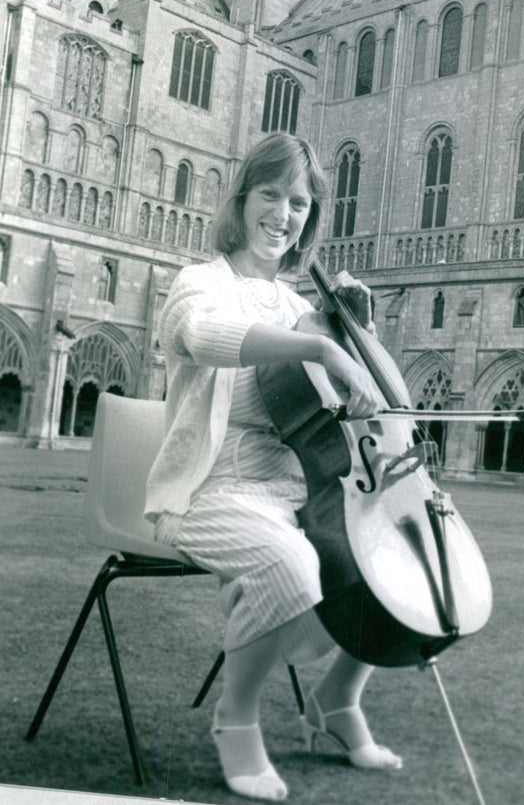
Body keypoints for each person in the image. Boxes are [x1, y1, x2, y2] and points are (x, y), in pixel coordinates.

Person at [144, 134, 402, 801]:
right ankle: (236, 720)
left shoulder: (300, 306)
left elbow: (378, 403)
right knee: (292, 565)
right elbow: (202, 337)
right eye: (271, 194)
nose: (283, 213)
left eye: (298, 201)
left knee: (393, 561)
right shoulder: (199, 282)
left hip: (297, 492)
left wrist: (357, 334)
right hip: (210, 488)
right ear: (242, 199)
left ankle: (337, 700)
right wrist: (320, 342)